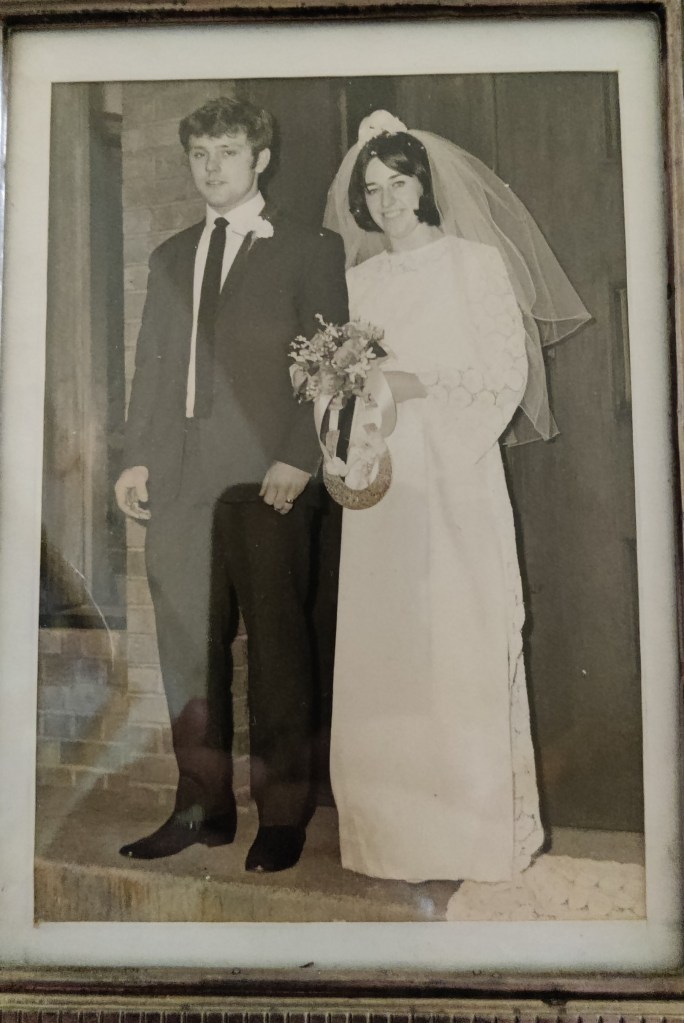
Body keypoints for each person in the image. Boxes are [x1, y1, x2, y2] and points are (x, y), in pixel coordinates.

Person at [323, 111, 590, 883]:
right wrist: (349, 439)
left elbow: (504, 375)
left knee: (457, 637)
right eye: (373, 189)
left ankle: (471, 834)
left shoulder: (475, 264)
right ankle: (389, 837)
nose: (386, 201)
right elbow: (345, 386)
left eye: (398, 183)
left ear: (423, 185)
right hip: (383, 482)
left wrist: (415, 386)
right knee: (387, 644)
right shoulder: (362, 280)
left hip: (455, 471)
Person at [114, 96, 348, 872]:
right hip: (179, 480)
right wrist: (137, 457)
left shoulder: (310, 248)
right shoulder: (170, 255)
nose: (212, 168)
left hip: (268, 479)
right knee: (188, 649)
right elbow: (151, 368)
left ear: (261, 159)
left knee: (278, 648)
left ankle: (281, 816)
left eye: (228, 153)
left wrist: (298, 455)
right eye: (200, 155)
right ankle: (201, 808)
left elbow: (331, 367)